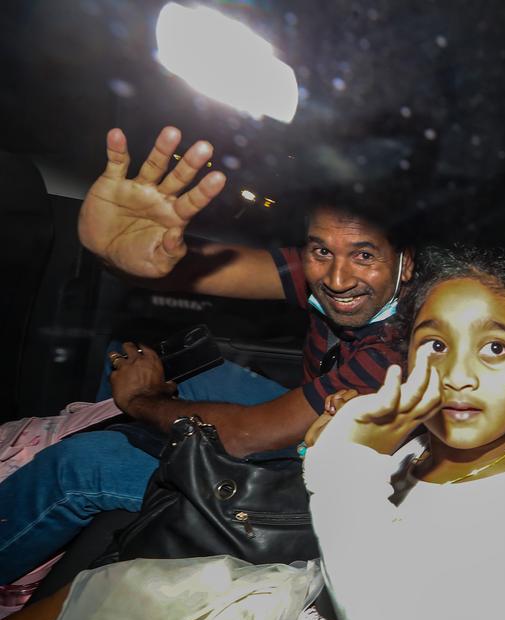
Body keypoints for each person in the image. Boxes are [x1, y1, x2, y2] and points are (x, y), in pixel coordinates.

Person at [0, 246, 505, 620]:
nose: (456, 373)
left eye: (495, 348)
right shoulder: (430, 443)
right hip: (285, 610)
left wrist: (349, 467)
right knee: (102, 600)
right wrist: (348, 450)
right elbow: (366, 524)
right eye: (435, 343)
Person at [0, 125, 414, 584]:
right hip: (304, 427)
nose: (337, 279)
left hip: (319, 490)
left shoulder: (401, 349)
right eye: (322, 250)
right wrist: (119, 254)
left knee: (82, 466)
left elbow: (249, 436)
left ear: (406, 262)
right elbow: (198, 271)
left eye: (364, 256)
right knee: (136, 359)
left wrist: (143, 402)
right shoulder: (327, 270)